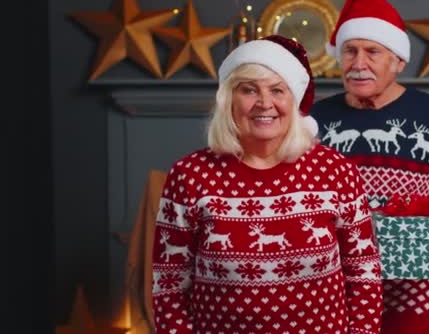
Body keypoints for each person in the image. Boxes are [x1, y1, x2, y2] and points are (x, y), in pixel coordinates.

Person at [151, 35, 383, 334]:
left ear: (294, 99)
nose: (264, 103)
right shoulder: (189, 175)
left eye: (277, 90)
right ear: (229, 99)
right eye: (249, 90)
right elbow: (169, 284)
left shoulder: (336, 172)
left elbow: (364, 273)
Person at [309, 0, 429, 333]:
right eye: (350, 51)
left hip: (410, 293)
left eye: (373, 52)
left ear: (398, 61)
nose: (358, 63)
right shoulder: (313, 121)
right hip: (331, 289)